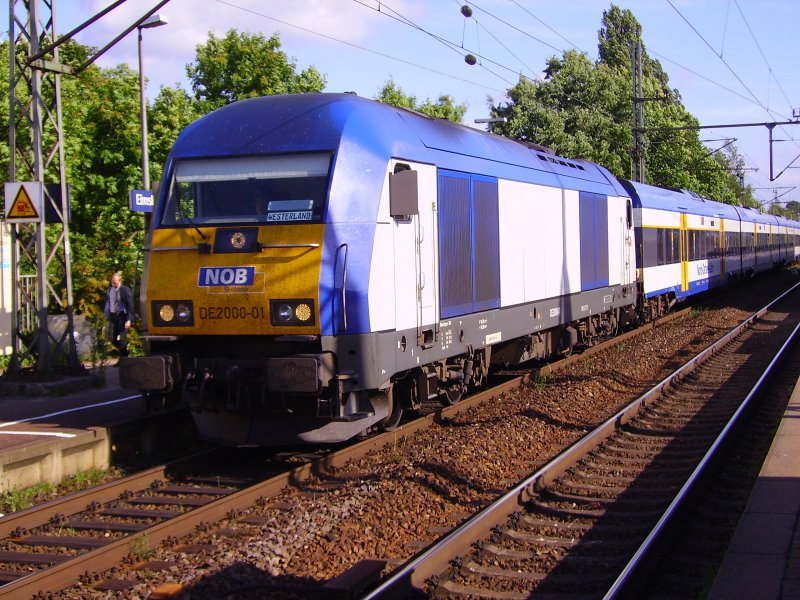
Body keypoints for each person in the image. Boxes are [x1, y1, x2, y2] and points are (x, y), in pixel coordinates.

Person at [104, 272, 134, 357]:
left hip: (122, 315)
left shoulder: (125, 290)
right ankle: (124, 351)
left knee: (122, 338)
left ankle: (123, 358)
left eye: (115, 282)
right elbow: (108, 303)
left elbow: (130, 305)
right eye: (112, 282)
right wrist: (107, 314)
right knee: (111, 337)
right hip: (113, 316)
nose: (113, 284)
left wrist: (129, 319)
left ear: (119, 281)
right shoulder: (109, 290)